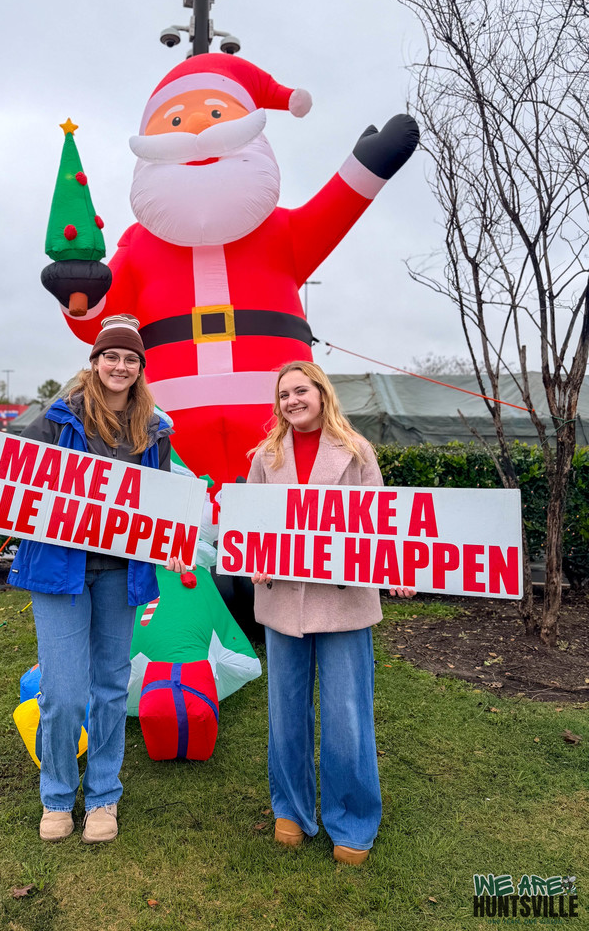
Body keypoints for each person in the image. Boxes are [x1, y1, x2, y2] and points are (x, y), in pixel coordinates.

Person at [0, 315, 186, 845]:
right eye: (111, 356)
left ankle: (103, 796)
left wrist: (178, 543)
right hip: (60, 573)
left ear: (140, 369)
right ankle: (57, 795)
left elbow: (162, 503)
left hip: (122, 576)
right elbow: (1, 478)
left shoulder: (154, 430)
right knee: (64, 692)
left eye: (130, 359)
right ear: (95, 363)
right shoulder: (58, 418)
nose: (120, 366)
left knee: (111, 689)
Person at [247, 360, 416, 865]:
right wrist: (250, 555)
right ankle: (291, 810)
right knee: (285, 712)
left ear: (321, 393)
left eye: (301, 391)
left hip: (343, 601)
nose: (293, 401)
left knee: (346, 714)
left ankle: (353, 820)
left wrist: (397, 567)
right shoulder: (265, 456)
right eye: (284, 395)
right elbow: (251, 523)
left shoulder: (357, 450)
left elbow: (382, 522)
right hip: (281, 601)